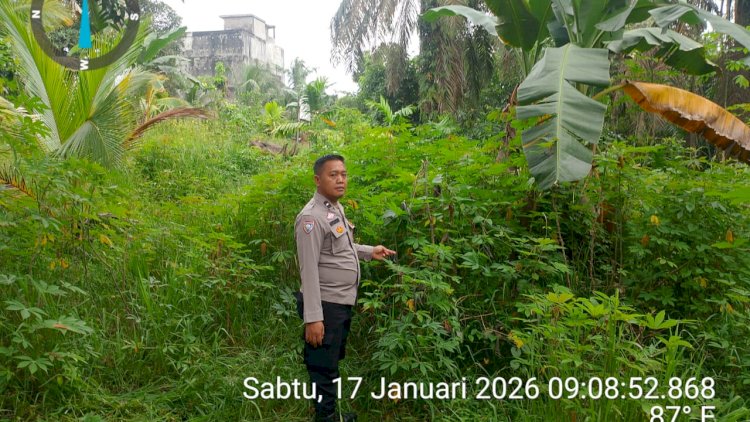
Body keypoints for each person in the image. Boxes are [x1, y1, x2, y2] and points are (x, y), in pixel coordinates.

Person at [294, 154, 396, 422]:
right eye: (333, 175)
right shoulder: (310, 218)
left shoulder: (333, 209)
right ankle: (326, 418)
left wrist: (368, 251)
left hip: (339, 303)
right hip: (325, 305)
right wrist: (313, 317)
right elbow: (308, 270)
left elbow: (340, 248)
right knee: (322, 369)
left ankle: (331, 415)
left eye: (343, 174)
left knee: (330, 363)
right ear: (317, 180)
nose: (340, 180)